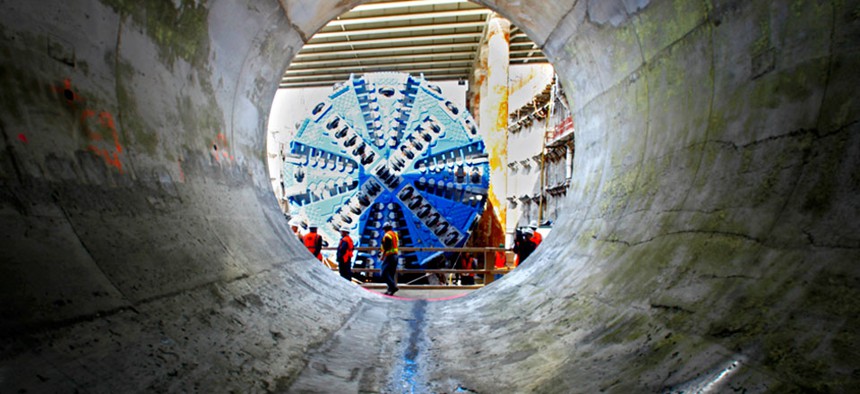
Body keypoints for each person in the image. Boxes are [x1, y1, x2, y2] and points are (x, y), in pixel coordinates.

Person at [380, 222, 399, 295]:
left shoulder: (387, 235)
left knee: (383, 273)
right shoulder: (394, 234)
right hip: (395, 256)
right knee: (391, 273)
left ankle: (393, 287)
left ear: (385, 229)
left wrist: (382, 256)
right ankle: (390, 290)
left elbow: (386, 247)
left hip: (389, 256)